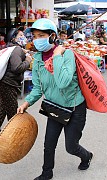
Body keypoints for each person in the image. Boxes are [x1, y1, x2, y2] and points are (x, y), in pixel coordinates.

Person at [17, 18, 93, 180]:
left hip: (74, 108)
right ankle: (47, 173)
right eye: (35, 36)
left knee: (71, 147)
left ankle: (86, 156)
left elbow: (63, 82)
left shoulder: (67, 54)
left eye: (41, 35)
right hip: (54, 107)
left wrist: (57, 56)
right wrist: (26, 103)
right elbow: (37, 88)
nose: (37, 39)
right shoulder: (37, 59)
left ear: (52, 36)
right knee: (48, 144)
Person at [0, 28, 32, 136]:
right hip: (9, 83)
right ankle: (14, 133)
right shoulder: (16, 49)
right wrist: (28, 61)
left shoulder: (12, 48)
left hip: (3, 82)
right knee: (13, 110)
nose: (24, 37)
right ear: (14, 38)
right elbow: (17, 68)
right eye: (21, 35)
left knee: (3, 106)